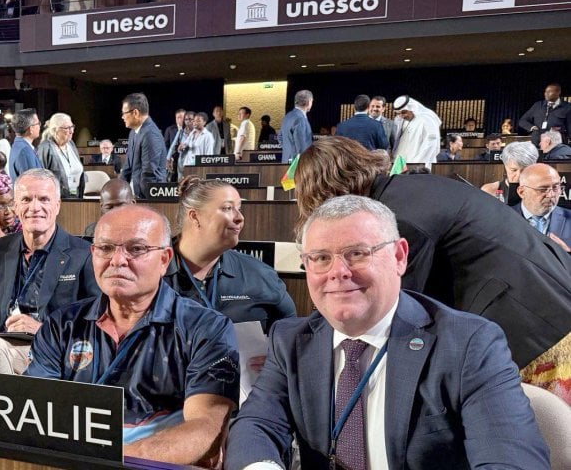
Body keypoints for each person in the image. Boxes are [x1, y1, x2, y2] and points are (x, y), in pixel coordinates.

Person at [226, 195, 549, 470]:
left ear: (399, 256)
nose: (339, 272)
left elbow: (509, 458)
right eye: (321, 258)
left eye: (357, 253)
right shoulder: (291, 340)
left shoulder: (469, 344)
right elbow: (257, 425)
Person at [293, 136, 571, 371]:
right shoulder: (410, 191)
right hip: (549, 299)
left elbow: (396, 311)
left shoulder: (397, 219)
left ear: (324, 194)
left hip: (539, 329)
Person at [25, 204, 239, 466]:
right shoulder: (62, 325)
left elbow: (205, 428)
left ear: (164, 259)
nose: (117, 260)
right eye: (104, 248)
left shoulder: (206, 329)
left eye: (136, 249)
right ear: (92, 254)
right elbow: (36, 412)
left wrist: (109, 462)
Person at [165, 176, 295, 333]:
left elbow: (291, 333)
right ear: (195, 216)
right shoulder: (149, 272)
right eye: (227, 208)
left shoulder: (260, 275)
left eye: (239, 208)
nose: (240, 217)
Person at [0, 168, 99, 334]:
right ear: (15, 206)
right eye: (26, 199)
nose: (34, 207)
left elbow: (96, 323)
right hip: (0, 343)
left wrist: (43, 332)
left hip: (54, 351)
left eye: (44, 199)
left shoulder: (84, 255)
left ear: (57, 206)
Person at [119, 93, 166, 198]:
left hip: (147, 197)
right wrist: (119, 190)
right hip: (134, 195)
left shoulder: (150, 134)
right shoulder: (133, 132)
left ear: (135, 112)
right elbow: (127, 167)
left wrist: (141, 200)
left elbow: (149, 174)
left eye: (124, 113)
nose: (122, 117)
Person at [515, 163, 571, 252]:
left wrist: (567, 254)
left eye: (555, 187)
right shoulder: (503, 218)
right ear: (522, 192)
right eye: (543, 189)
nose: (551, 195)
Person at [37, 112, 84, 198]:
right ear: (55, 130)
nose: (72, 131)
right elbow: (41, 177)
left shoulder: (71, 144)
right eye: (67, 128)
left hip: (75, 196)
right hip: (57, 199)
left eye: (72, 127)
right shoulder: (45, 148)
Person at [481, 140, 538, 205]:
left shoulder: (541, 191)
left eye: (524, 170)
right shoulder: (490, 190)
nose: (518, 175)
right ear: (506, 167)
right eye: (513, 170)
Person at [392, 95, 441, 168]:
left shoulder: (427, 119)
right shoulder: (401, 121)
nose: (402, 116)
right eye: (398, 113)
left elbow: (431, 144)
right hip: (400, 163)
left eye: (404, 112)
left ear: (412, 108)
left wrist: (417, 163)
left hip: (417, 164)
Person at [177, 112, 214, 178]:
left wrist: (205, 169)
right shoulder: (192, 133)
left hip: (199, 167)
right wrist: (181, 147)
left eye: (198, 121)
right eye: (194, 120)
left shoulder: (208, 136)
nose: (195, 122)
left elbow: (209, 156)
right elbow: (185, 145)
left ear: (204, 122)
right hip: (187, 166)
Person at [8, 108, 42, 181]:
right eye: (38, 123)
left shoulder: (19, 145)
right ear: (31, 129)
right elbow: (32, 182)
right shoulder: (25, 151)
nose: (39, 126)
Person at [280, 89, 313, 163]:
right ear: (308, 102)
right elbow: (302, 146)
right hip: (298, 164)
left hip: (285, 160)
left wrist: (289, 151)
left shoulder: (287, 116)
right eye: (312, 101)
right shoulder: (300, 119)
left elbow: (280, 137)